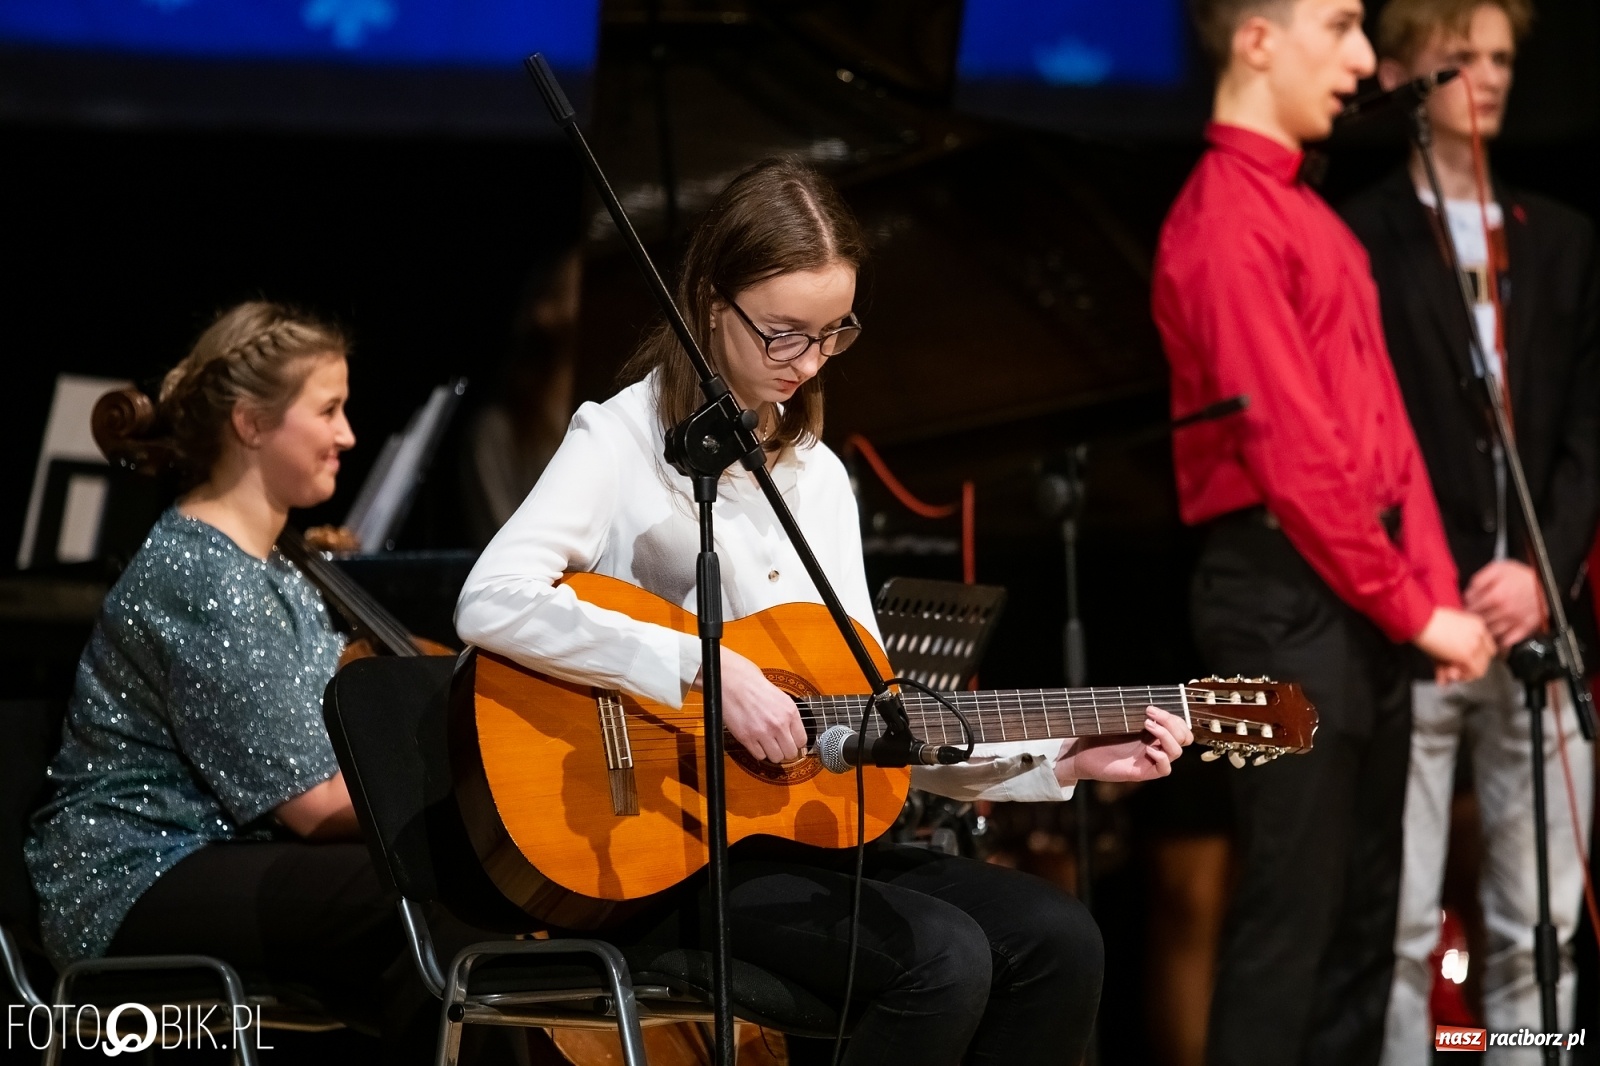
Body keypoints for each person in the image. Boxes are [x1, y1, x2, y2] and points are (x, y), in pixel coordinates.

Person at [454, 156, 1195, 1066]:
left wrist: (1056, 763)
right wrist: (703, 667)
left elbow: (876, 732)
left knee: (1059, 936)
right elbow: (491, 599)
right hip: (652, 850)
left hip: (790, 839)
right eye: (781, 335)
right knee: (942, 959)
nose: (806, 365)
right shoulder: (619, 440)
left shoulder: (816, 477)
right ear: (708, 303)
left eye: (831, 335)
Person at [1151, 2, 1498, 1064]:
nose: (1360, 61)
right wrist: (1415, 608)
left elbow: (1385, 431)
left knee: (1365, 919)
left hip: (1351, 589)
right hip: (1282, 589)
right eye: (1340, 26)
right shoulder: (1222, 223)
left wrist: (1433, 593)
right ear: (1255, 39)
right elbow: (1294, 457)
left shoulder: (1315, 219)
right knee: (1290, 925)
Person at [24, 302, 452, 1060]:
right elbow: (317, 808)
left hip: (229, 851)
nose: (348, 434)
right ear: (252, 424)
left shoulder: (277, 565)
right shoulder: (196, 571)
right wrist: (464, 797)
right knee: (425, 895)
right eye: (329, 410)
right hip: (139, 872)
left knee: (444, 893)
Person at [1339, 1, 1600, 1060]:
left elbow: (1584, 429)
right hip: (1413, 622)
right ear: (1402, 74)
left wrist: (1538, 574)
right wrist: (1432, 585)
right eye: (1459, 61)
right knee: (1398, 925)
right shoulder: (1357, 233)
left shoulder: (1565, 238)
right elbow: (1359, 435)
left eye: (1498, 59)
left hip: (1539, 620)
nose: (1485, 79)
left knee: (1537, 928)